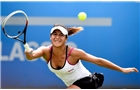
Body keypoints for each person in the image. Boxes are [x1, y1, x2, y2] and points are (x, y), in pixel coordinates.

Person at [24, 24, 139, 89]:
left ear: (66, 38)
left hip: (88, 81)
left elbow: (98, 61)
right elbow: (32, 56)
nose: (57, 37)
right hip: (74, 86)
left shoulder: (75, 53)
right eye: (54, 34)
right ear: (50, 37)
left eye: (61, 35)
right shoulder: (45, 51)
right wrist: (29, 54)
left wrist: (122, 69)